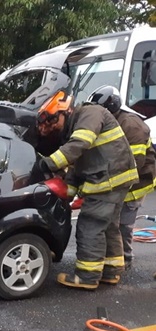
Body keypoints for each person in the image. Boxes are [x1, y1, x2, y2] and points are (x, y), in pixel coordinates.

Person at [38, 90, 138, 290]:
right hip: (114, 179)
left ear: (65, 112)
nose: (51, 127)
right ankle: (110, 272)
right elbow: (78, 166)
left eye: (52, 121)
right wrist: (67, 194)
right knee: (108, 226)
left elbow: (79, 145)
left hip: (109, 180)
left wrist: (46, 164)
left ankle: (87, 277)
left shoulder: (89, 113)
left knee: (90, 225)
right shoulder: (76, 126)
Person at [87, 85, 156, 270]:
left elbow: (133, 165)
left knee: (123, 224)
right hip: (120, 180)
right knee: (111, 221)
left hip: (137, 182)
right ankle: (112, 258)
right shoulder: (109, 121)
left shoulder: (132, 127)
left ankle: (125, 259)